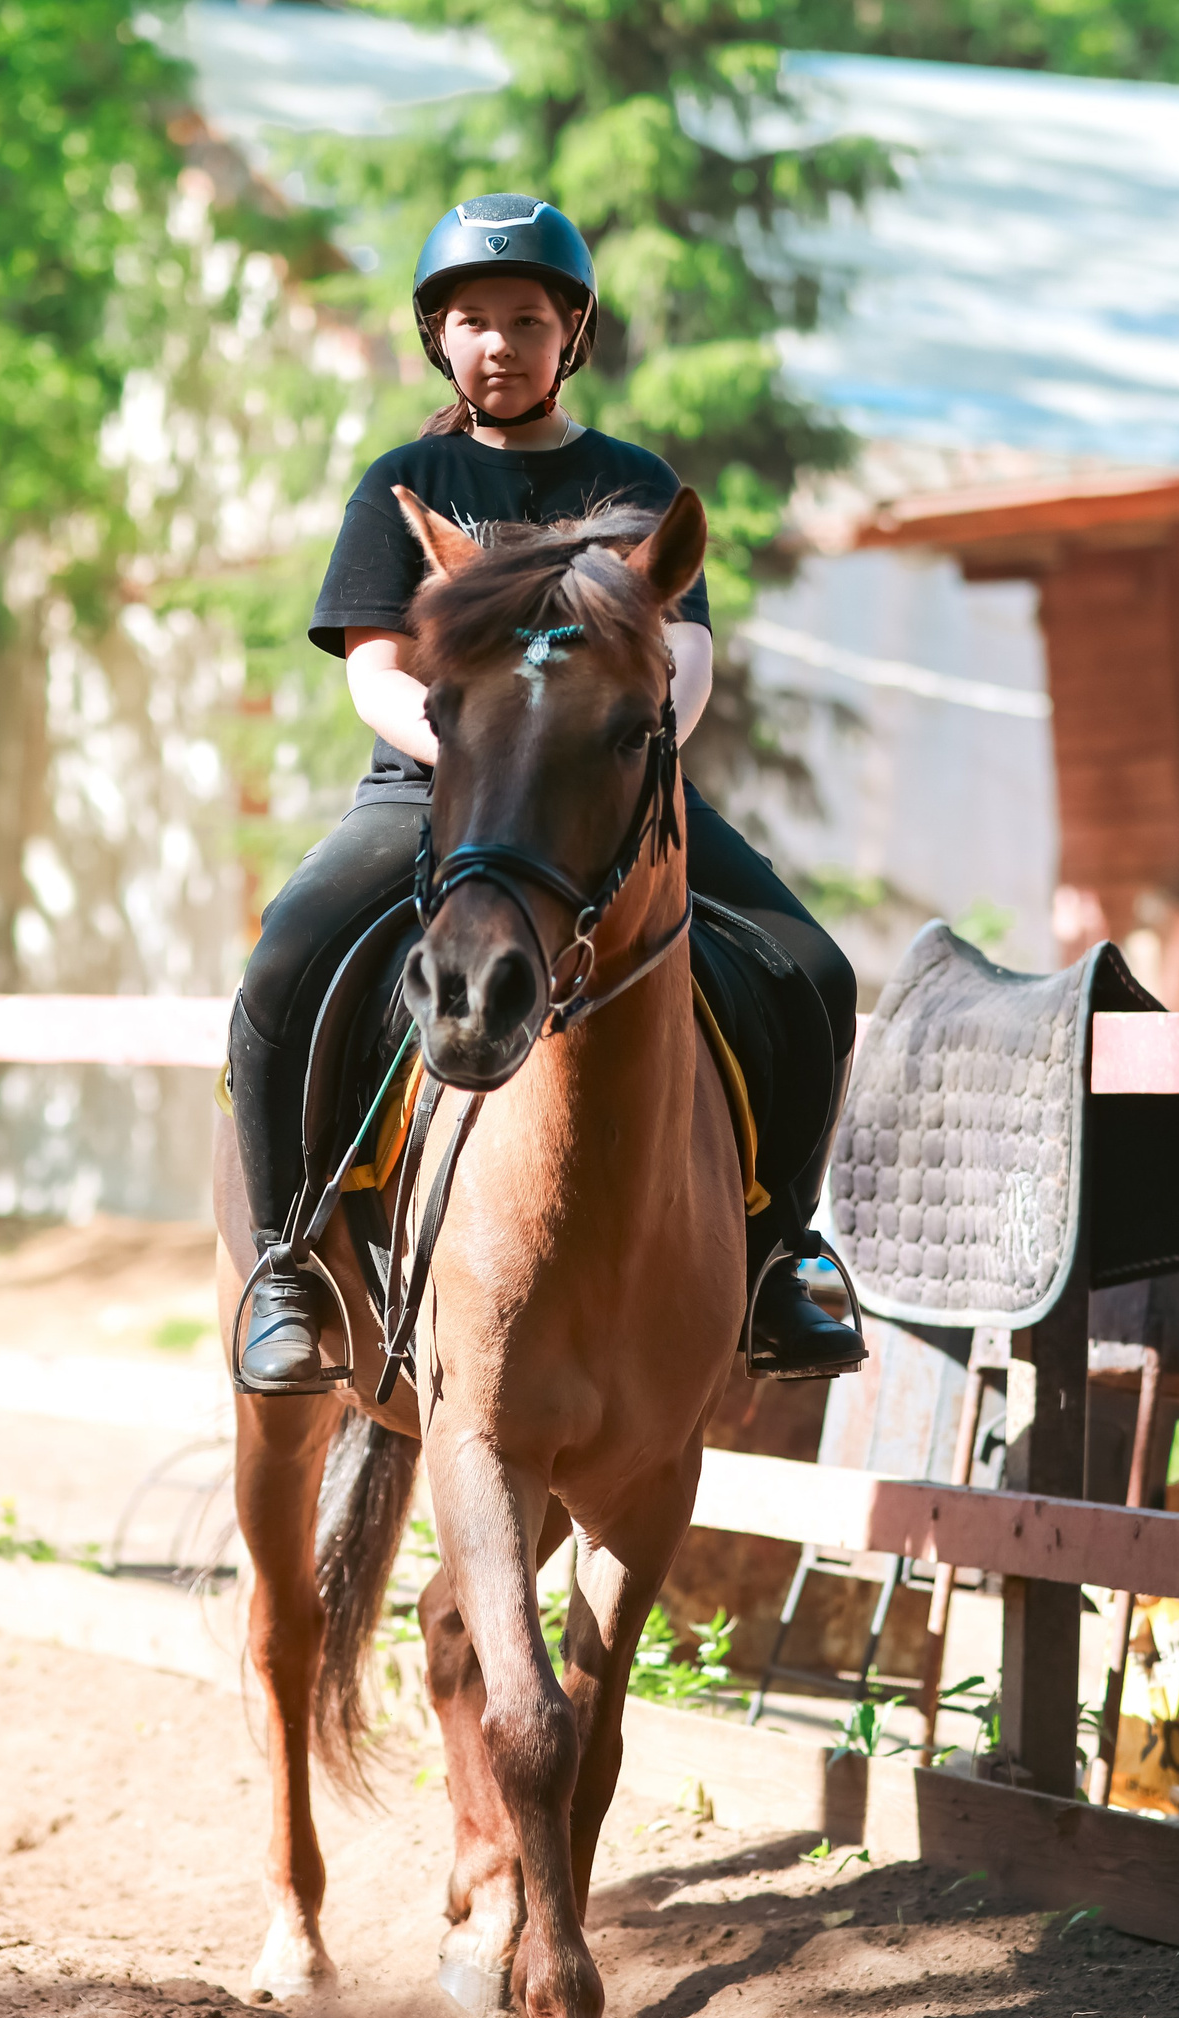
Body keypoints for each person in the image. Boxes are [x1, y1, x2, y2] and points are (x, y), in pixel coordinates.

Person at [228, 194, 865, 1391]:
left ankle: (781, 1260)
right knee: (283, 963)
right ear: (438, 338)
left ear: (571, 333)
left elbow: (685, 651)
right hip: (434, 791)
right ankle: (286, 1263)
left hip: (605, 795)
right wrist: (471, 756)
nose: (500, 343)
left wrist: (619, 753)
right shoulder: (404, 481)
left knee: (814, 968)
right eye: (473, 320)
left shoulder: (633, 483)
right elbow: (374, 665)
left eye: (527, 319)